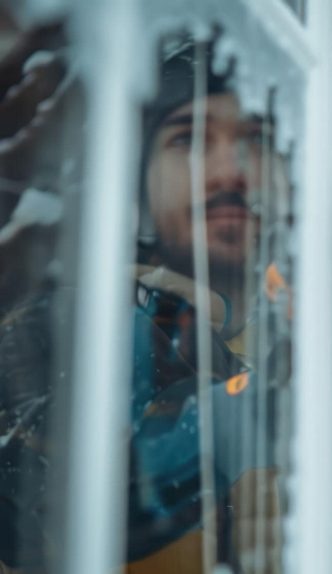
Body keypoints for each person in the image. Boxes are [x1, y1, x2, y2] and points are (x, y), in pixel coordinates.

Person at [0, 34, 289, 572]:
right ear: (139, 182)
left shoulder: (327, 346)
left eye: (258, 141)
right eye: (190, 140)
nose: (230, 172)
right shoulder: (71, 331)